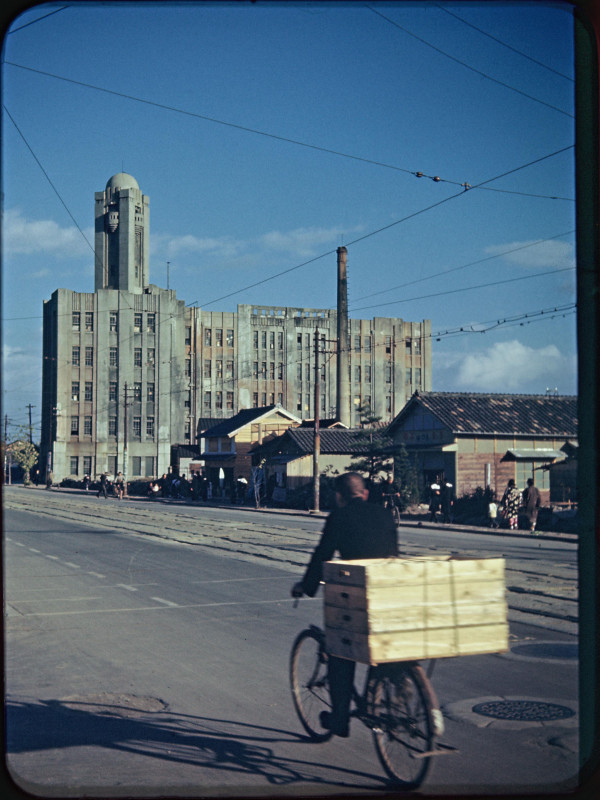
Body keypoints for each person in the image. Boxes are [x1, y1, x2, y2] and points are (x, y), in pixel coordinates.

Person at [291, 472, 398, 738]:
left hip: (358, 598)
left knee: (340, 652)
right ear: (365, 493)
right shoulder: (385, 514)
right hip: (390, 596)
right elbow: (393, 555)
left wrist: (306, 586)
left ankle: (340, 719)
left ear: (339, 497)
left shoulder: (338, 516)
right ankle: (386, 693)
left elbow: (322, 555)